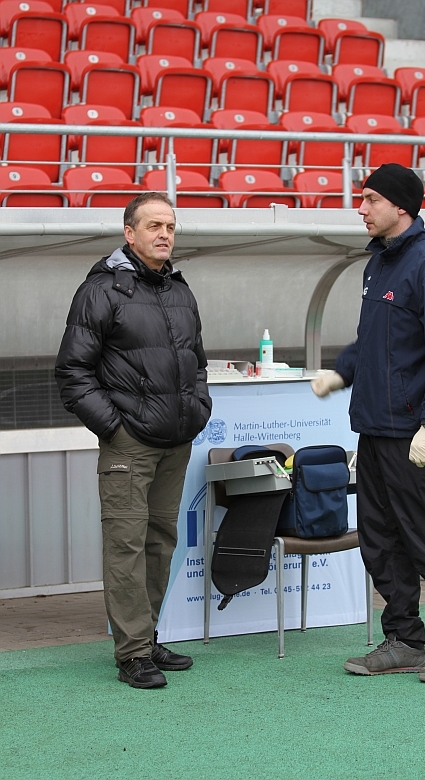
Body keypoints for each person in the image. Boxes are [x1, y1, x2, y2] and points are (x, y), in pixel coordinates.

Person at [312, 163, 425, 684]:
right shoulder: (379, 264)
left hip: (416, 432)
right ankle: (405, 639)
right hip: (375, 428)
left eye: (370, 200)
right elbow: (376, 341)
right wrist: (342, 371)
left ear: (400, 206)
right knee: (380, 540)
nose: (360, 209)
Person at [55, 192, 212, 689]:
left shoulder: (179, 289)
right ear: (129, 233)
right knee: (126, 544)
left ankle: (146, 637)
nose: (164, 234)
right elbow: (72, 372)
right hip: (129, 443)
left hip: (176, 441)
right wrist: (115, 428)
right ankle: (132, 654)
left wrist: (198, 409)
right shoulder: (101, 290)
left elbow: (198, 362)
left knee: (160, 542)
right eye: (153, 226)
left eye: (170, 226)